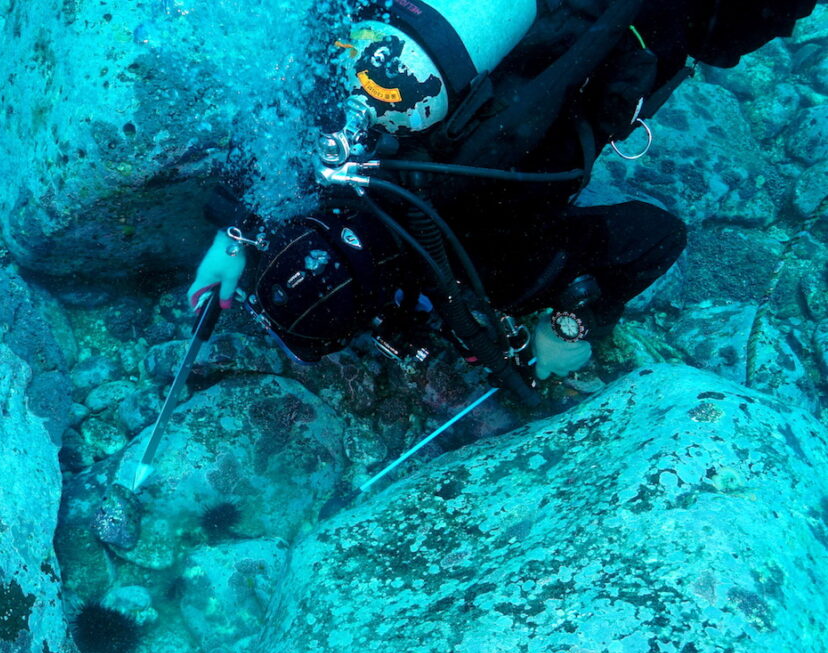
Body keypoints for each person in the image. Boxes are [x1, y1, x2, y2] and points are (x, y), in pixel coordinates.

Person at [187, 0, 815, 402]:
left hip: (655, 20)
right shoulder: (337, 140)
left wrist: (574, 328)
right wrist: (236, 235)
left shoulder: (494, 269)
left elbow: (656, 235)